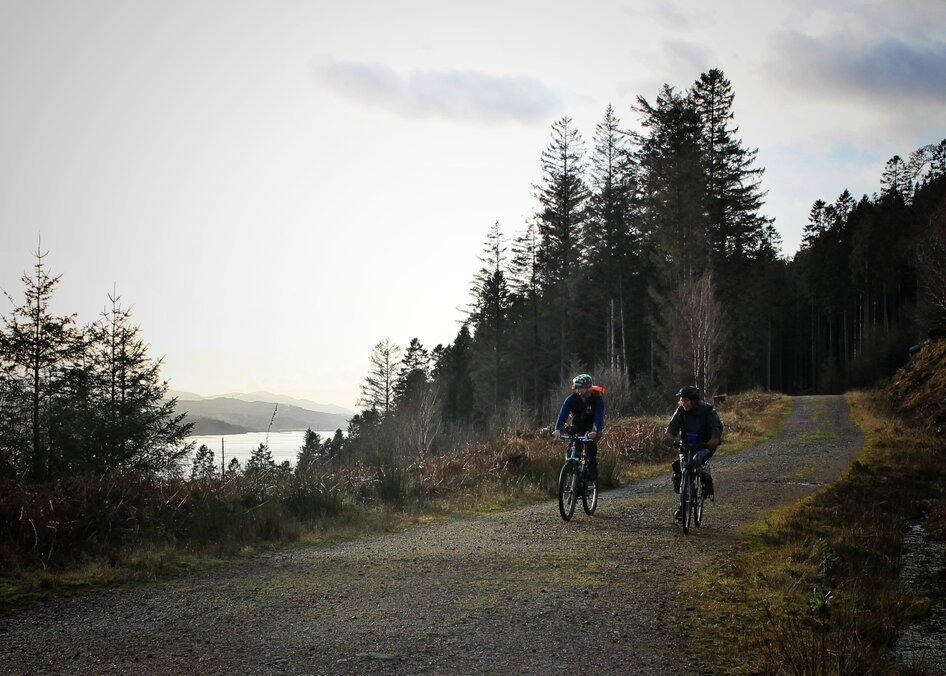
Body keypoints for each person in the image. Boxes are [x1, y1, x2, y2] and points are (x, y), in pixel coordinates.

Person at [663, 385, 723, 518]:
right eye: (681, 400)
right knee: (681, 468)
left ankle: (707, 483)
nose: (683, 403)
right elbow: (673, 425)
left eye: (686, 400)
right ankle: (683, 506)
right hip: (686, 446)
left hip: (704, 445)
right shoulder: (681, 411)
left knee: (697, 461)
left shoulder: (707, 410)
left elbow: (716, 425)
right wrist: (669, 436)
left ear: (694, 400)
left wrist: (714, 438)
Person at [552, 373, 605, 481]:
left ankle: (592, 470)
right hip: (578, 426)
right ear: (577, 389)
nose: (588, 390)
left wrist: (595, 431)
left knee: (590, 446)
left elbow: (599, 417)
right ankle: (571, 470)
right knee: (573, 447)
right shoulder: (571, 399)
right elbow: (563, 414)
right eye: (585, 388)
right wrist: (557, 429)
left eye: (589, 386)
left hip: (592, 427)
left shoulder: (597, 399)